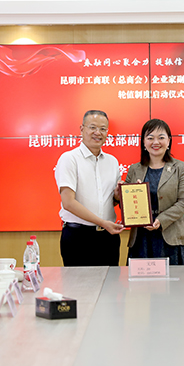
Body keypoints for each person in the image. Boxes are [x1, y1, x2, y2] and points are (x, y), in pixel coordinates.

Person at [55, 110, 124, 266]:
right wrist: (103, 223)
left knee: (111, 281)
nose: (98, 133)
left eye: (103, 129)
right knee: (79, 282)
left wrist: (117, 196)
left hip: (108, 238)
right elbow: (68, 203)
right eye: (92, 127)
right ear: (82, 129)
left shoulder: (112, 161)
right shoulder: (69, 159)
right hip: (78, 237)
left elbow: (110, 202)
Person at [125, 119, 184, 265]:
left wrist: (161, 220)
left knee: (174, 280)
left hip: (172, 238)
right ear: (143, 142)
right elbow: (126, 204)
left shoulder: (181, 168)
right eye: (150, 138)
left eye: (161, 137)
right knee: (140, 280)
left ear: (169, 141)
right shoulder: (134, 169)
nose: (156, 142)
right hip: (141, 239)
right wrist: (122, 194)